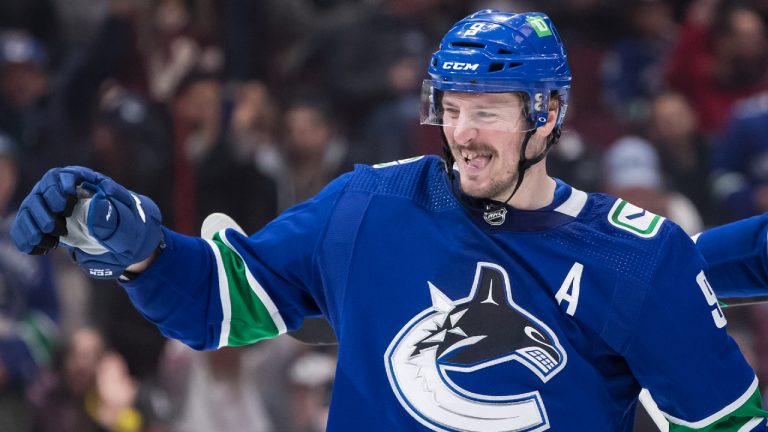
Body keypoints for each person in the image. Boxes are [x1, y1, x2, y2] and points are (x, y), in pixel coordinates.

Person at [9, 9, 768, 431]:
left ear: (549, 116)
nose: (464, 133)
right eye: (453, 109)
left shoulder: (640, 259)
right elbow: (215, 305)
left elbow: (726, 426)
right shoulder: (368, 206)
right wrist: (133, 248)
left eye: (490, 112)